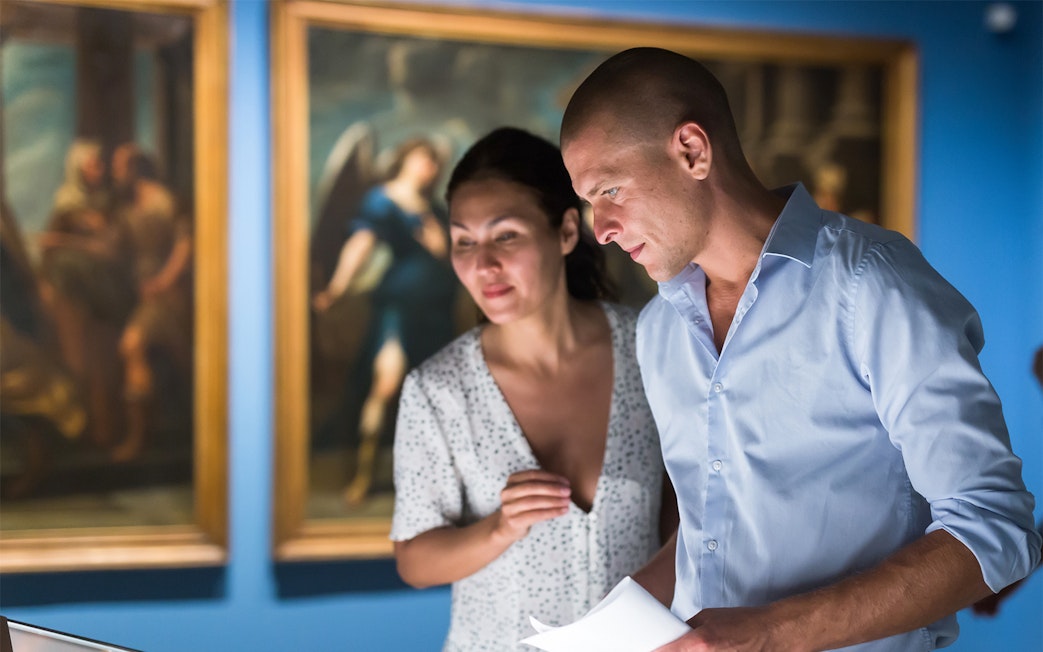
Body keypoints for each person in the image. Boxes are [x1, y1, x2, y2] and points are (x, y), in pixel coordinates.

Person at [559, 47, 1040, 651]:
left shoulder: (874, 284)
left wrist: (768, 636)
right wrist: (599, 631)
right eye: (588, 203)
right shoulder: (659, 330)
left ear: (692, 151)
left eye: (609, 190)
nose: (600, 227)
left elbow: (996, 528)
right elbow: (708, 537)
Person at [390, 127, 676, 651]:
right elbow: (414, 560)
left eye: (506, 235)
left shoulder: (652, 345)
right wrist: (500, 527)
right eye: (464, 242)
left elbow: (687, 515)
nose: (483, 265)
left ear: (567, 231)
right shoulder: (438, 390)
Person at [313, 137, 458, 505]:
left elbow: (452, 255)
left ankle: (435, 484)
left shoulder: (435, 209)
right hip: (401, 303)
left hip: (437, 306)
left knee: (436, 395)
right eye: (424, 159)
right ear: (406, 159)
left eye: (435, 163)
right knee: (386, 382)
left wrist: (441, 247)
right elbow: (360, 244)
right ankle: (363, 475)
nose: (430, 168)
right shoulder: (382, 200)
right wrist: (337, 287)